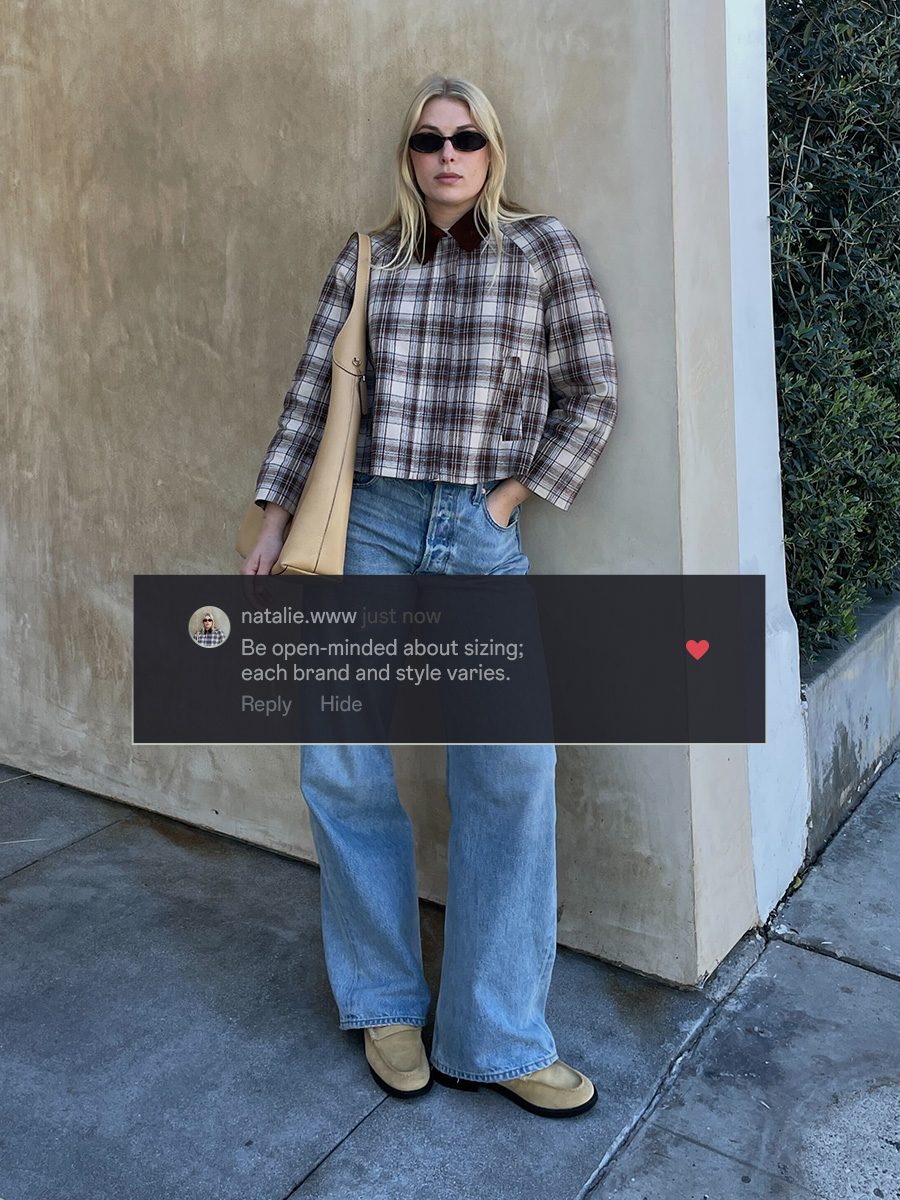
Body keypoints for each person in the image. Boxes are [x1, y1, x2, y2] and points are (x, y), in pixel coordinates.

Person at [241, 75, 617, 1118]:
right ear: (407, 155)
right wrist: (273, 513)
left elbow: (594, 391)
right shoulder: (368, 257)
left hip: (476, 531)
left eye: (467, 139)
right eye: (427, 138)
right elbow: (314, 389)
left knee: (508, 770)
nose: (448, 154)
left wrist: (506, 500)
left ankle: (496, 1035)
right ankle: (384, 1002)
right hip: (370, 521)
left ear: (492, 152)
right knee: (344, 759)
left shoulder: (543, 251)